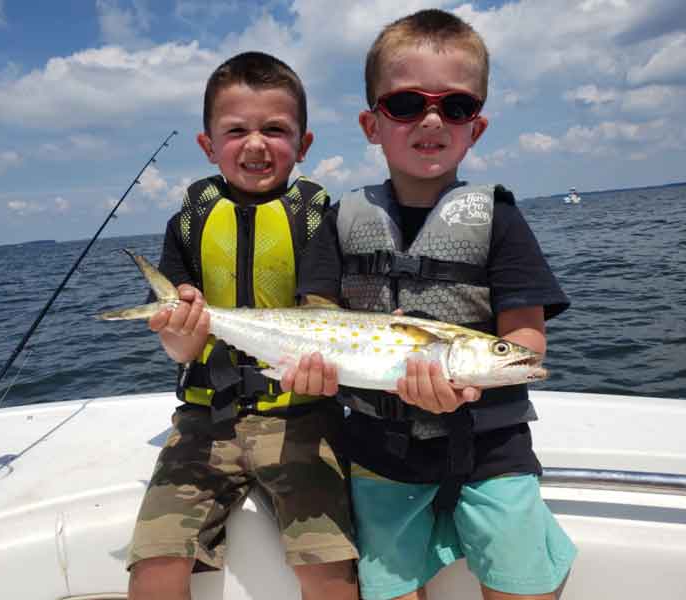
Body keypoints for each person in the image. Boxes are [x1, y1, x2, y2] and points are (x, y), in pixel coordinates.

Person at [282, 9, 577, 600]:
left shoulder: (500, 219)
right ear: (371, 124)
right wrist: (309, 373)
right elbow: (315, 319)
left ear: (477, 127)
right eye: (405, 104)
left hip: (494, 449)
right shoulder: (340, 222)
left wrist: (473, 381)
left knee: (525, 585)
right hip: (380, 453)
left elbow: (526, 340)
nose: (433, 119)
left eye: (457, 106)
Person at [126, 52, 358, 600]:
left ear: (303, 143)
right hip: (204, 420)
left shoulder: (319, 219)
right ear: (208, 145)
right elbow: (182, 350)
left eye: (275, 130)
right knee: (155, 563)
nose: (256, 145)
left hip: (304, 418)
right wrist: (179, 325)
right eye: (236, 131)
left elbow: (324, 314)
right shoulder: (188, 223)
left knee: (329, 570)